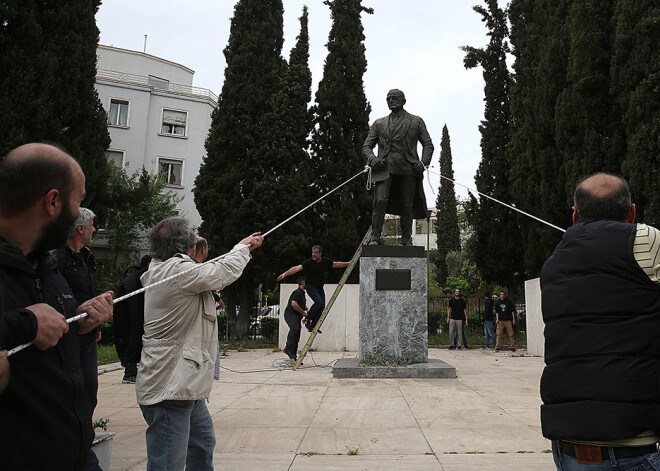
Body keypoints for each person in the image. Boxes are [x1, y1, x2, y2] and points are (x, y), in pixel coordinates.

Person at [0, 143, 114, 470]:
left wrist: (80, 325)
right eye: (77, 202)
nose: (80, 215)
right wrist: (26, 324)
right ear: (52, 202)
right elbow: (28, 328)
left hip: (73, 453)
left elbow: (46, 349)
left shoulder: (44, 266)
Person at [540, 173, 660, 470]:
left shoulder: (554, 262)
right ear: (632, 212)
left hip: (569, 446)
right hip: (633, 444)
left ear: (575, 214)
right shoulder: (645, 240)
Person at [136, 217, 262, 470]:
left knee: (203, 445)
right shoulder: (175, 271)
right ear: (187, 247)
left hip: (184, 386)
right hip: (170, 387)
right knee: (169, 462)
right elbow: (221, 273)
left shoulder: (171, 270)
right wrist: (242, 248)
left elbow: (212, 272)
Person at [363, 89, 434, 245]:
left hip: (408, 168)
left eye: (394, 98)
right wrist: (372, 158)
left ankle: (407, 239)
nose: (391, 101)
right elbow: (367, 146)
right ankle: (375, 237)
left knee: (407, 204)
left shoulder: (416, 121)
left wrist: (423, 163)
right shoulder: (379, 123)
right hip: (384, 168)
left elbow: (428, 145)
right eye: (388, 99)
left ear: (403, 101)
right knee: (380, 201)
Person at [52, 207, 100, 413]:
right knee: (69, 389)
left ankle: (84, 434)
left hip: (89, 334)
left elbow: (89, 292)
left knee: (90, 388)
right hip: (67, 333)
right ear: (80, 229)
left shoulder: (88, 257)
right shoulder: (55, 259)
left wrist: (97, 325)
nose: (95, 229)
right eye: (91, 225)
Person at [277, 245, 349, 332]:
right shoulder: (309, 262)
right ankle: (307, 318)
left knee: (322, 306)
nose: (313, 255)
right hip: (310, 286)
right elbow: (296, 268)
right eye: (312, 253)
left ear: (320, 254)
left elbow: (336, 264)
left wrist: (348, 263)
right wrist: (285, 274)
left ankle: (313, 325)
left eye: (315, 253)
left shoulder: (325, 261)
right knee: (318, 302)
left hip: (319, 287)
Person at [114, 254, 151, 384]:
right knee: (134, 343)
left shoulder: (131, 280)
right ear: (148, 265)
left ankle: (132, 372)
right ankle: (130, 373)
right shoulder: (137, 281)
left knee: (131, 342)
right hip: (135, 319)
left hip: (128, 321)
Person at [282, 277, 308, 362]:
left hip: (296, 316)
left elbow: (302, 304)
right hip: (290, 314)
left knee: (297, 333)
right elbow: (294, 304)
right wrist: (304, 313)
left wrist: (308, 310)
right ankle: (288, 348)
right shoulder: (297, 292)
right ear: (303, 283)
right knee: (294, 328)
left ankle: (293, 355)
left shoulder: (302, 293)